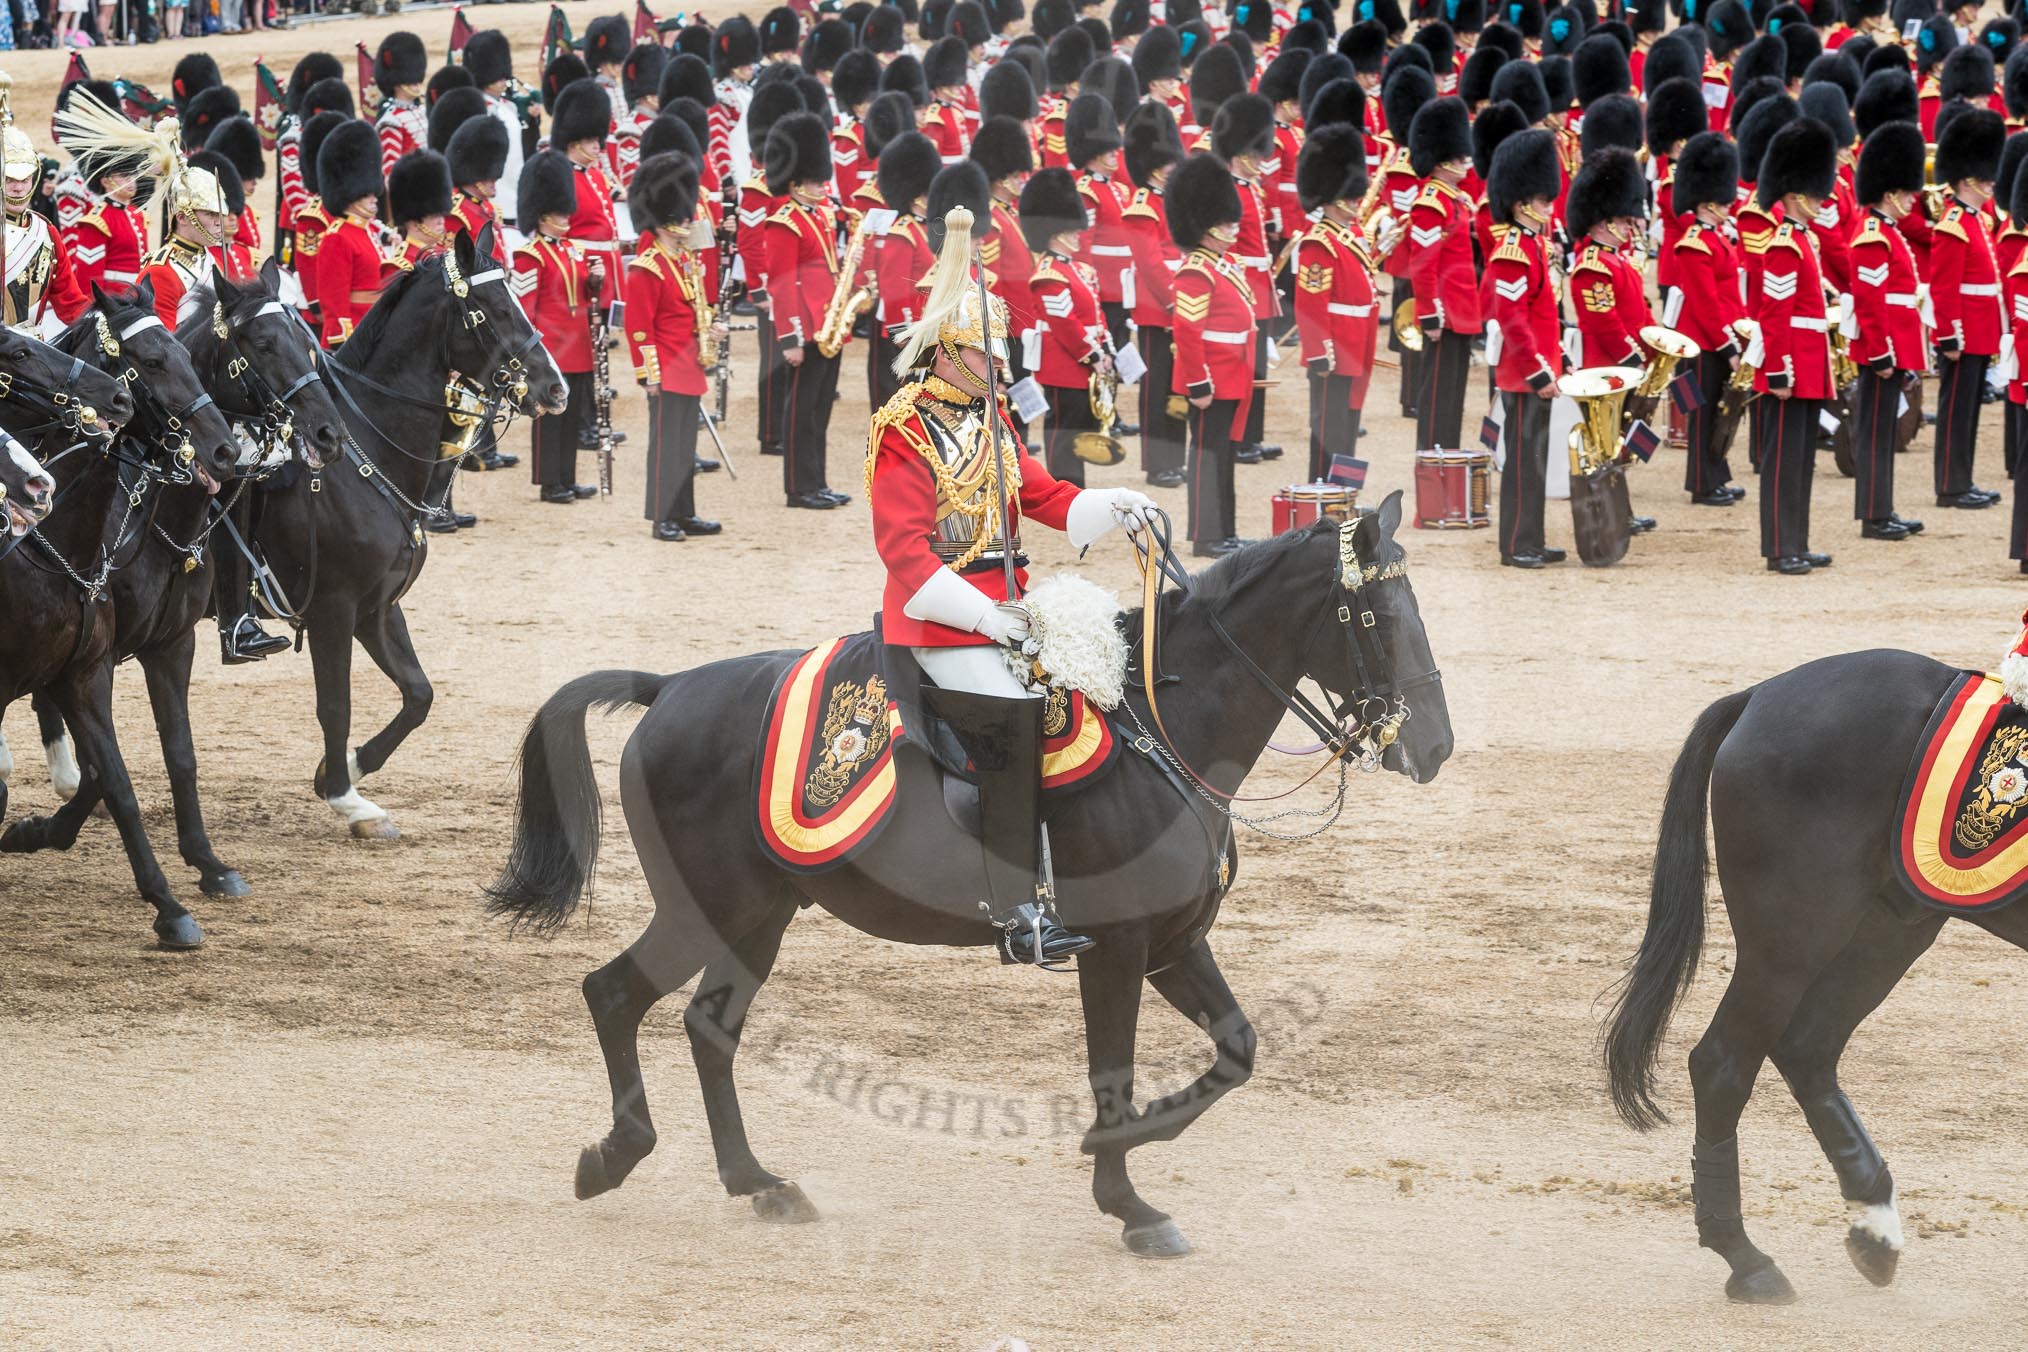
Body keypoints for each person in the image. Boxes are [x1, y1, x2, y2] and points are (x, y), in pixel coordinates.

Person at [865, 200, 1156, 965]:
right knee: (1018, 713)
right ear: (954, 354)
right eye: (990, 358)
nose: (1005, 369)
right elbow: (904, 551)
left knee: (1102, 680)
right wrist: (986, 621)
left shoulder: (991, 421)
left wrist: (1112, 503)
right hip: (939, 616)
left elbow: (1045, 496)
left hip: (1008, 606)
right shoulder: (905, 428)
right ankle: (1015, 906)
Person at [1751, 117, 1839, 575]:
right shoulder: (1784, 243)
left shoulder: (1805, 240)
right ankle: (1781, 547)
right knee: (1783, 462)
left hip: (1809, 362)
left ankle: (1797, 542)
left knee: (1801, 460)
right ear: (1793, 192)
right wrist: (1781, 372)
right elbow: (1774, 313)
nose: (1822, 200)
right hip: (1791, 365)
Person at [628, 151, 726, 543]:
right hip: (666, 370)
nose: (689, 220)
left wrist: (710, 331)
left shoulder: (683, 261)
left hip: (688, 367)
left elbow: (691, 311)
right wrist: (649, 377)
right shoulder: (647, 267)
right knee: (666, 449)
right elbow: (639, 331)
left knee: (685, 449)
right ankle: (661, 516)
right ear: (667, 219)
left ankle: (684, 512)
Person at [1480, 128, 1565, 569]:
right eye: (1543, 201)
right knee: (1522, 465)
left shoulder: (1533, 245)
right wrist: (1538, 371)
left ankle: (1532, 537)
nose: (1550, 208)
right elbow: (1513, 321)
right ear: (1520, 204)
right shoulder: (1514, 251)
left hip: (1539, 369)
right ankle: (1515, 543)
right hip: (1523, 374)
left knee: (1536, 462)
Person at [1166, 152, 1257, 557]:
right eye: (1223, 223)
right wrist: (1198, 382)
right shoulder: (1195, 271)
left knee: (1224, 455)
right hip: (1212, 379)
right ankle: (1206, 536)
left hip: (1232, 374)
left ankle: (1226, 531)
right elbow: (1187, 332)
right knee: (1207, 456)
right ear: (1203, 227)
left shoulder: (1222, 265)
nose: (1230, 228)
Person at [763, 111, 853, 509]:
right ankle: (799, 488)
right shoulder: (784, 223)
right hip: (806, 329)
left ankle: (818, 481)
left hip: (829, 325)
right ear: (796, 183)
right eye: (816, 181)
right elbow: (783, 286)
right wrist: (791, 338)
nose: (823, 185)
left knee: (818, 411)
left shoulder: (821, 214)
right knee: (801, 412)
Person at [1849, 121, 1928, 542]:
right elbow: (1869, 301)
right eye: (1907, 192)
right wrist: (1880, 353)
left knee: (1884, 433)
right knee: (1876, 433)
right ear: (1888, 193)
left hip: (1894, 346)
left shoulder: (1888, 232)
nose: (1912, 199)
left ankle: (1882, 508)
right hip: (1883, 349)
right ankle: (1874, 515)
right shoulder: (1873, 235)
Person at [512, 150, 602, 505]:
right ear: (542, 213)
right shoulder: (528, 255)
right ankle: (550, 482)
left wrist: (595, 281)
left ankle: (567, 476)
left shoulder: (573, 250)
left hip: (578, 346)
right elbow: (524, 311)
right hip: (550, 351)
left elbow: (582, 294)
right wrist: (530, 355)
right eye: (559, 211)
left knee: (572, 417)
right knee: (550, 418)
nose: (566, 216)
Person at [1929, 107, 2007, 510]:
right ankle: (1950, 485)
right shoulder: (1954, 224)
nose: (1991, 184)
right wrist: (1949, 335)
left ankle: (1963, 479)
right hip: (1962, 334)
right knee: (1956, 413)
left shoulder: (1976, 220)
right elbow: (1944, 288)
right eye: (1984, 178)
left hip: (1980, 332)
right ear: (1966, 179)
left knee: (1969, 413)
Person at [1667, 131, 1750, 510]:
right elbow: (1705, 304)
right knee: (1702, 416)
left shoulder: (1715, 237)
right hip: (1703, 342)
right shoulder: (1694, 243)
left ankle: (1716, 476)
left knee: (1721, 410)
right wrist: (1727, 346)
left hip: (1718, 336)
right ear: (1707, 201)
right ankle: (1701, 483)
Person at [1293, 124, 1379, 486]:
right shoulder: (1318, 244)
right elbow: (1310, 306)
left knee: (1349, 425)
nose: (1356, 200)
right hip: (1335, 350)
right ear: (1329, 196)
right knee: (1329, 431)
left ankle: (1344, 495)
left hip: (1357, 342)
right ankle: (1324, 494)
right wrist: (1319, 354)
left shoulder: (1350, 235)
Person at [1403, 96, 1482, 457]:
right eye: (1457, 156)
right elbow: (1423, 265)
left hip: (1462, 310)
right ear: (1442, 160)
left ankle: (1447, 459)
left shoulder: (1456, 200)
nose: (1464, 162)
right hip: (1444, 312)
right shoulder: (1430, 203)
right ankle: (1433, 463)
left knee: (1453, 396)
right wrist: (1429, 314)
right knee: (1436, 399)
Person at [1020, 166, 1109, 487]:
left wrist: (1105, 348)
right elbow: (1064, 324)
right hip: (1063, 364)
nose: (1078, 235)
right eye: (1072, 231)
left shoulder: (1079, 269)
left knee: (1078, 428)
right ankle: (1063, 488)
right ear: (1056, 233)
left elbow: (1095, 314)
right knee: (1063, 429)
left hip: (1082, 361)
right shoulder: (1049, 273)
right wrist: (1093, 355)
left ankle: (1075, 487)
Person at [1120, 102, 1185, 488]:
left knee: (1179, 388)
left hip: (1182, 305)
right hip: (1157, 310)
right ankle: (1156, 463)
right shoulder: (1142, 207)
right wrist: (1177, 301)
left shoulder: (1171, 200)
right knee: (1156, 389)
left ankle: (1175, 457)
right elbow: (1152, 264)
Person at [7, 113, 89, 338]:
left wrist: (103, 320)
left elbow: (70, 303)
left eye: (25, 180)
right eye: (9, 180)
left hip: (35, 353)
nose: (19, 188)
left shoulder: (46, 232)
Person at [313, 120, 391, 350]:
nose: (374, 198)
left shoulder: (368, 231)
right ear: (351, 194)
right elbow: (333, 303)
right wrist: (344, 344)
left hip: (377, 325)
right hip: (357, 334)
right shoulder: (337, 237)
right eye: (367, 194)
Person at [375, 33, 430, 180]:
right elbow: (390, 172)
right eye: (412, 80)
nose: (416, 83)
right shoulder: (391, 121)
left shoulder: (423, 111)